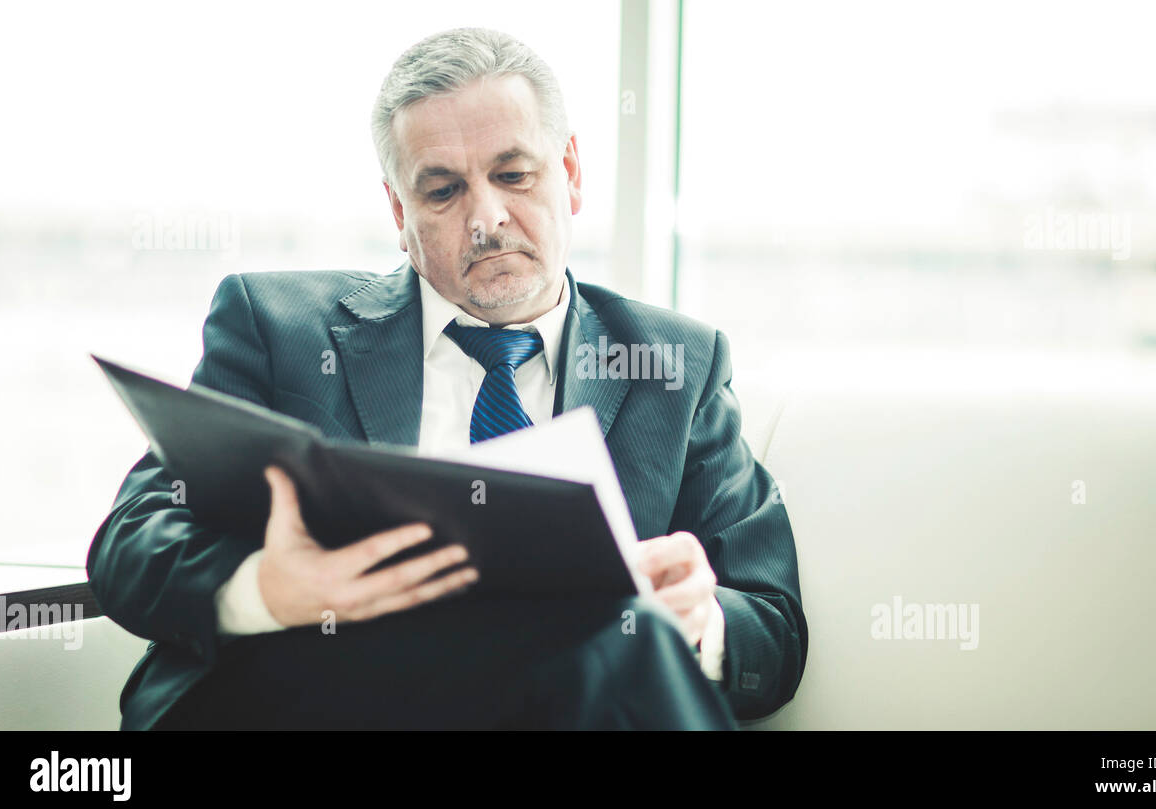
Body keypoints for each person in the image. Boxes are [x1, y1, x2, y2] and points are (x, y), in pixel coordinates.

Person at [87, 27, 806, 730]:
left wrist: (702, 619)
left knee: (630, 641)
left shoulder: (676, 365)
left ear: (573, 172)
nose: (487, 219)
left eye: (513, 175)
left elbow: (771, 629)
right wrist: (268, 590)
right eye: (442, 192)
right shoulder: (278, 329)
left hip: (564, 697)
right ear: (400, 213)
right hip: (314, 686)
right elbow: (131, 539)